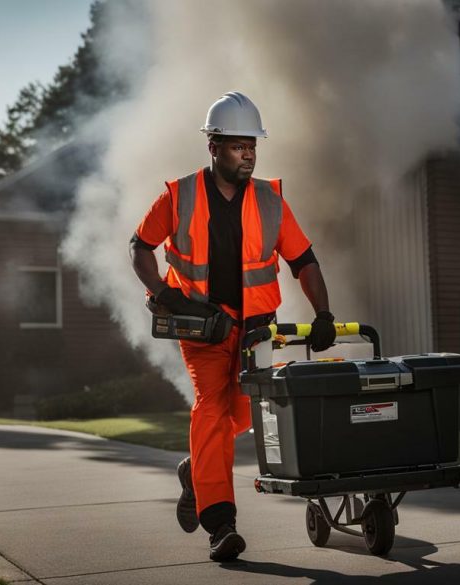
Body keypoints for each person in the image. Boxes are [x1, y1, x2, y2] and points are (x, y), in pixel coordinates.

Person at [130, 91, 336, 562]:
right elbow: (139, 247)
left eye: (254, 146)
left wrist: (323, 313)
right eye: (240, 145)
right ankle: (220, 524)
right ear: (214, 147)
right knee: (210, 408)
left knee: (240, 418)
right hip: (203, 329)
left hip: (256, 331)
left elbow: (304, 261)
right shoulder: (178, 196)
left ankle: (195, 474)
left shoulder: (269, 200)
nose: (249, 154)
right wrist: (165, 294)